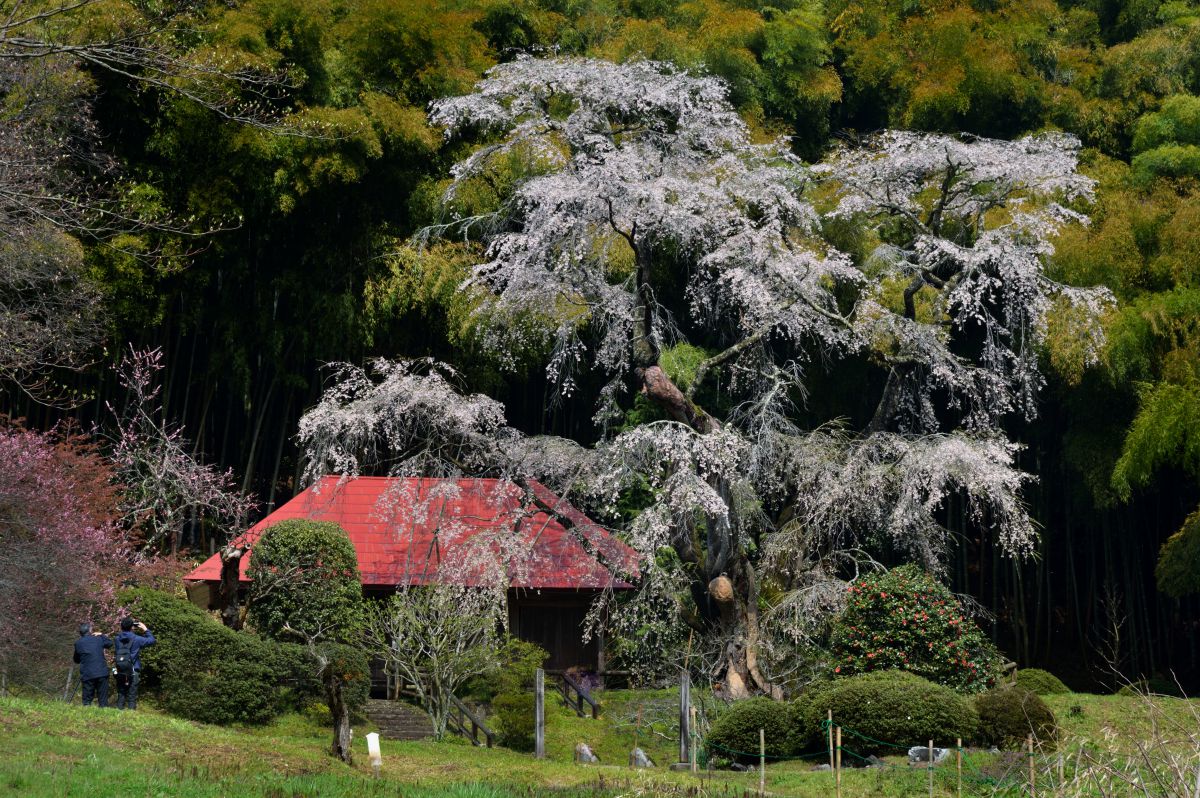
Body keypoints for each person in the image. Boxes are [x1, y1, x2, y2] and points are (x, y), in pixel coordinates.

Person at [113, 617, 155, 710]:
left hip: (120, 669)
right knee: (132, 694)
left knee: (121, 692)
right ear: (132, 627)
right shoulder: (137, 639)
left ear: (121, 626)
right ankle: (131, 713)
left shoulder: (116, 639)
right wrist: (145, 629)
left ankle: (119, 712)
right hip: (133, 668)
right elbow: (152, 640)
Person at [73, 622, 112, 707]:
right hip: (101, 672)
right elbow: (110, 643)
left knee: (87, 699)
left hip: (88, 673)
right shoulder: (98, 639)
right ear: (90, 630)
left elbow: (76, 660)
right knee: (103, 699)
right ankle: (104, 713)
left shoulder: (78, 643)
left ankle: (87, 714)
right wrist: (101, 634)